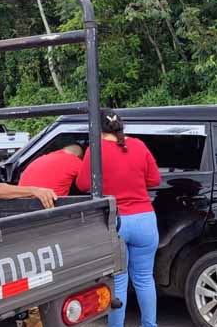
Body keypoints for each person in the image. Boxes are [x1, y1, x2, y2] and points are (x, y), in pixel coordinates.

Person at [76, 110, 160, 327]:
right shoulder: (139, 146)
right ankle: (150, 325)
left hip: (116, 222)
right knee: (144, 279)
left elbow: (83, 184)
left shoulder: (95, 150)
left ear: (97, 130)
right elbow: (155, 179)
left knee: (118, 283)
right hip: (145, 220)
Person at [18, 144, 83, 197]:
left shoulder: (42, 158)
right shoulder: (75, 160)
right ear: (78, 156)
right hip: (50, 204)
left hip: (21, 200)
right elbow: (87, 183)